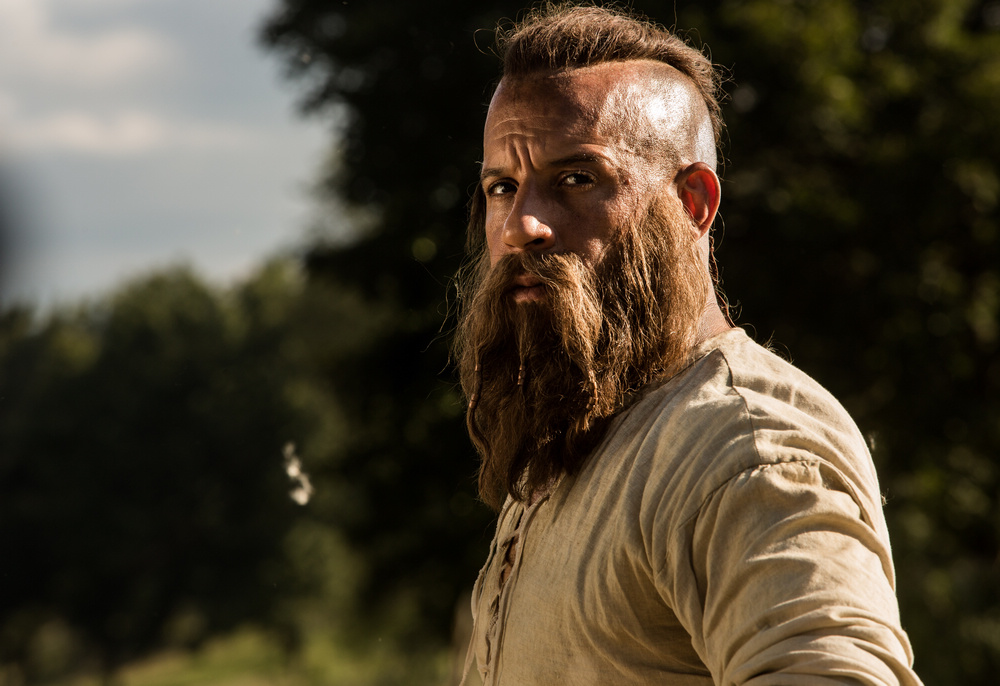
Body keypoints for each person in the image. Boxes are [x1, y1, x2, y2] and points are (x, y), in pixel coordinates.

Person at [452, 3, 922, 685]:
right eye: (503, 187)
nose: (521, 224)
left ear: (693, 203)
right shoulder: (576, 431)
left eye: (577, 179)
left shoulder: (745, 442)